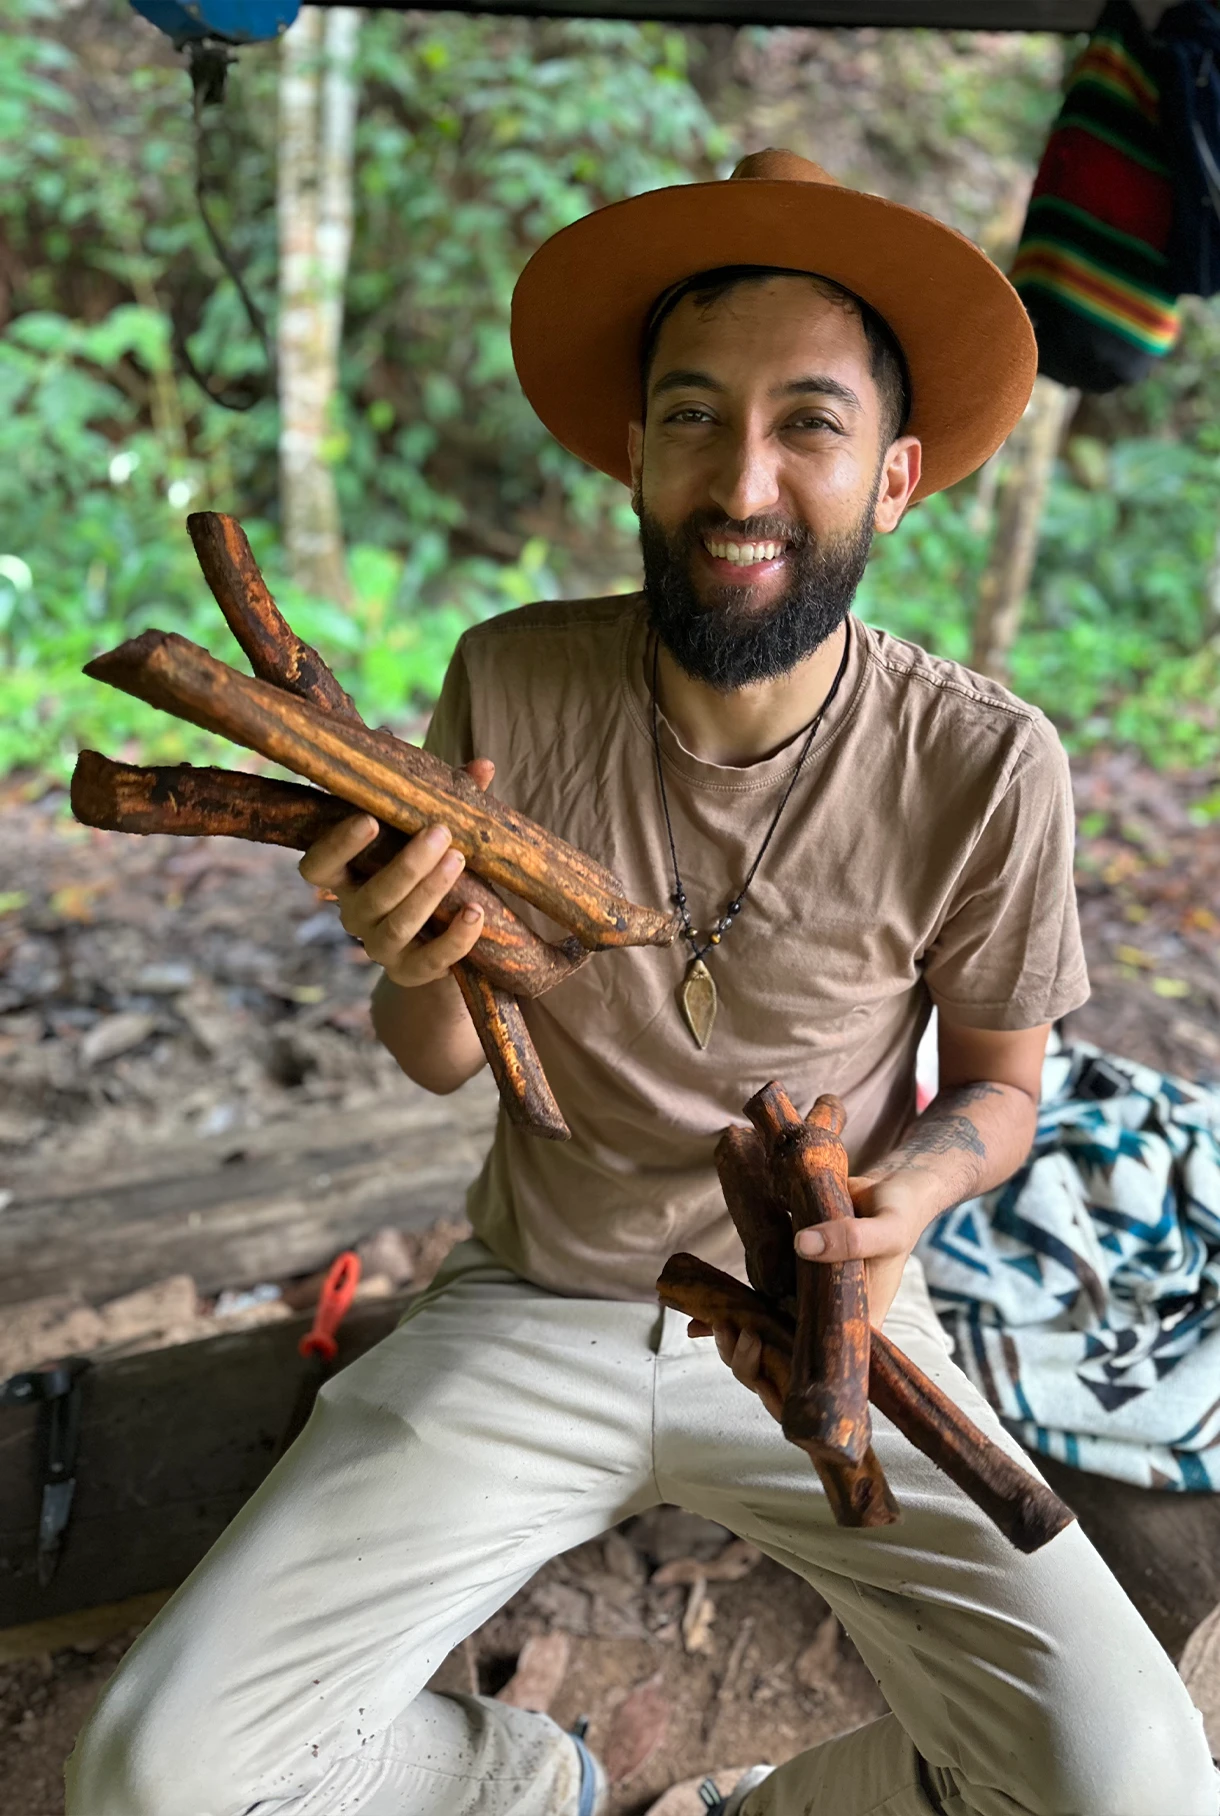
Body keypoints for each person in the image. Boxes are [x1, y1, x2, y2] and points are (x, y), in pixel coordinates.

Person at [66, 150, 1216, 1816]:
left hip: (841, 1321)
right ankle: (530, 1785)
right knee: (156, 1775)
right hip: (543, 1297)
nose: (741, 480)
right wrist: (414, 955)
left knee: (1136, 1792)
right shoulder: (516, 681)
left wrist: (913, 1194)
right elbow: (443, 1059)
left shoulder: (981, 761)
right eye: (691, 415)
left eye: (807, 425)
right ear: (631, 450)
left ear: (894, 479)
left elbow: (1002, 1088)